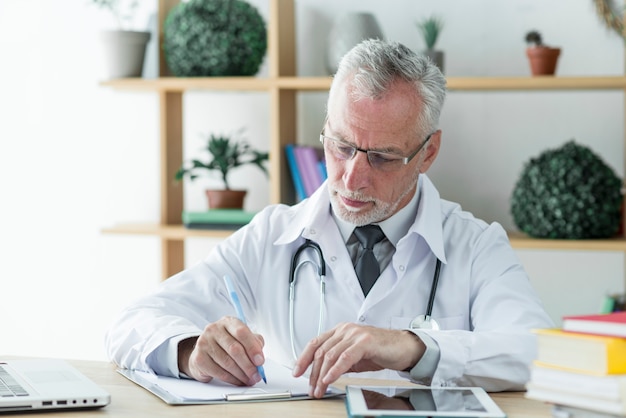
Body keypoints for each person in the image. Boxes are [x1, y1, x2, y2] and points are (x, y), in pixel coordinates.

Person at [104, 39, 554, 398]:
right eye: (340, 146)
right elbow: (132, 322)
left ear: (428, 152)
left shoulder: (476, 246)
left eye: (381, 157)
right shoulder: (272, 235)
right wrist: (190, 352)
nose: (352, 178)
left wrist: (411, 346)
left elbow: (539, 352)